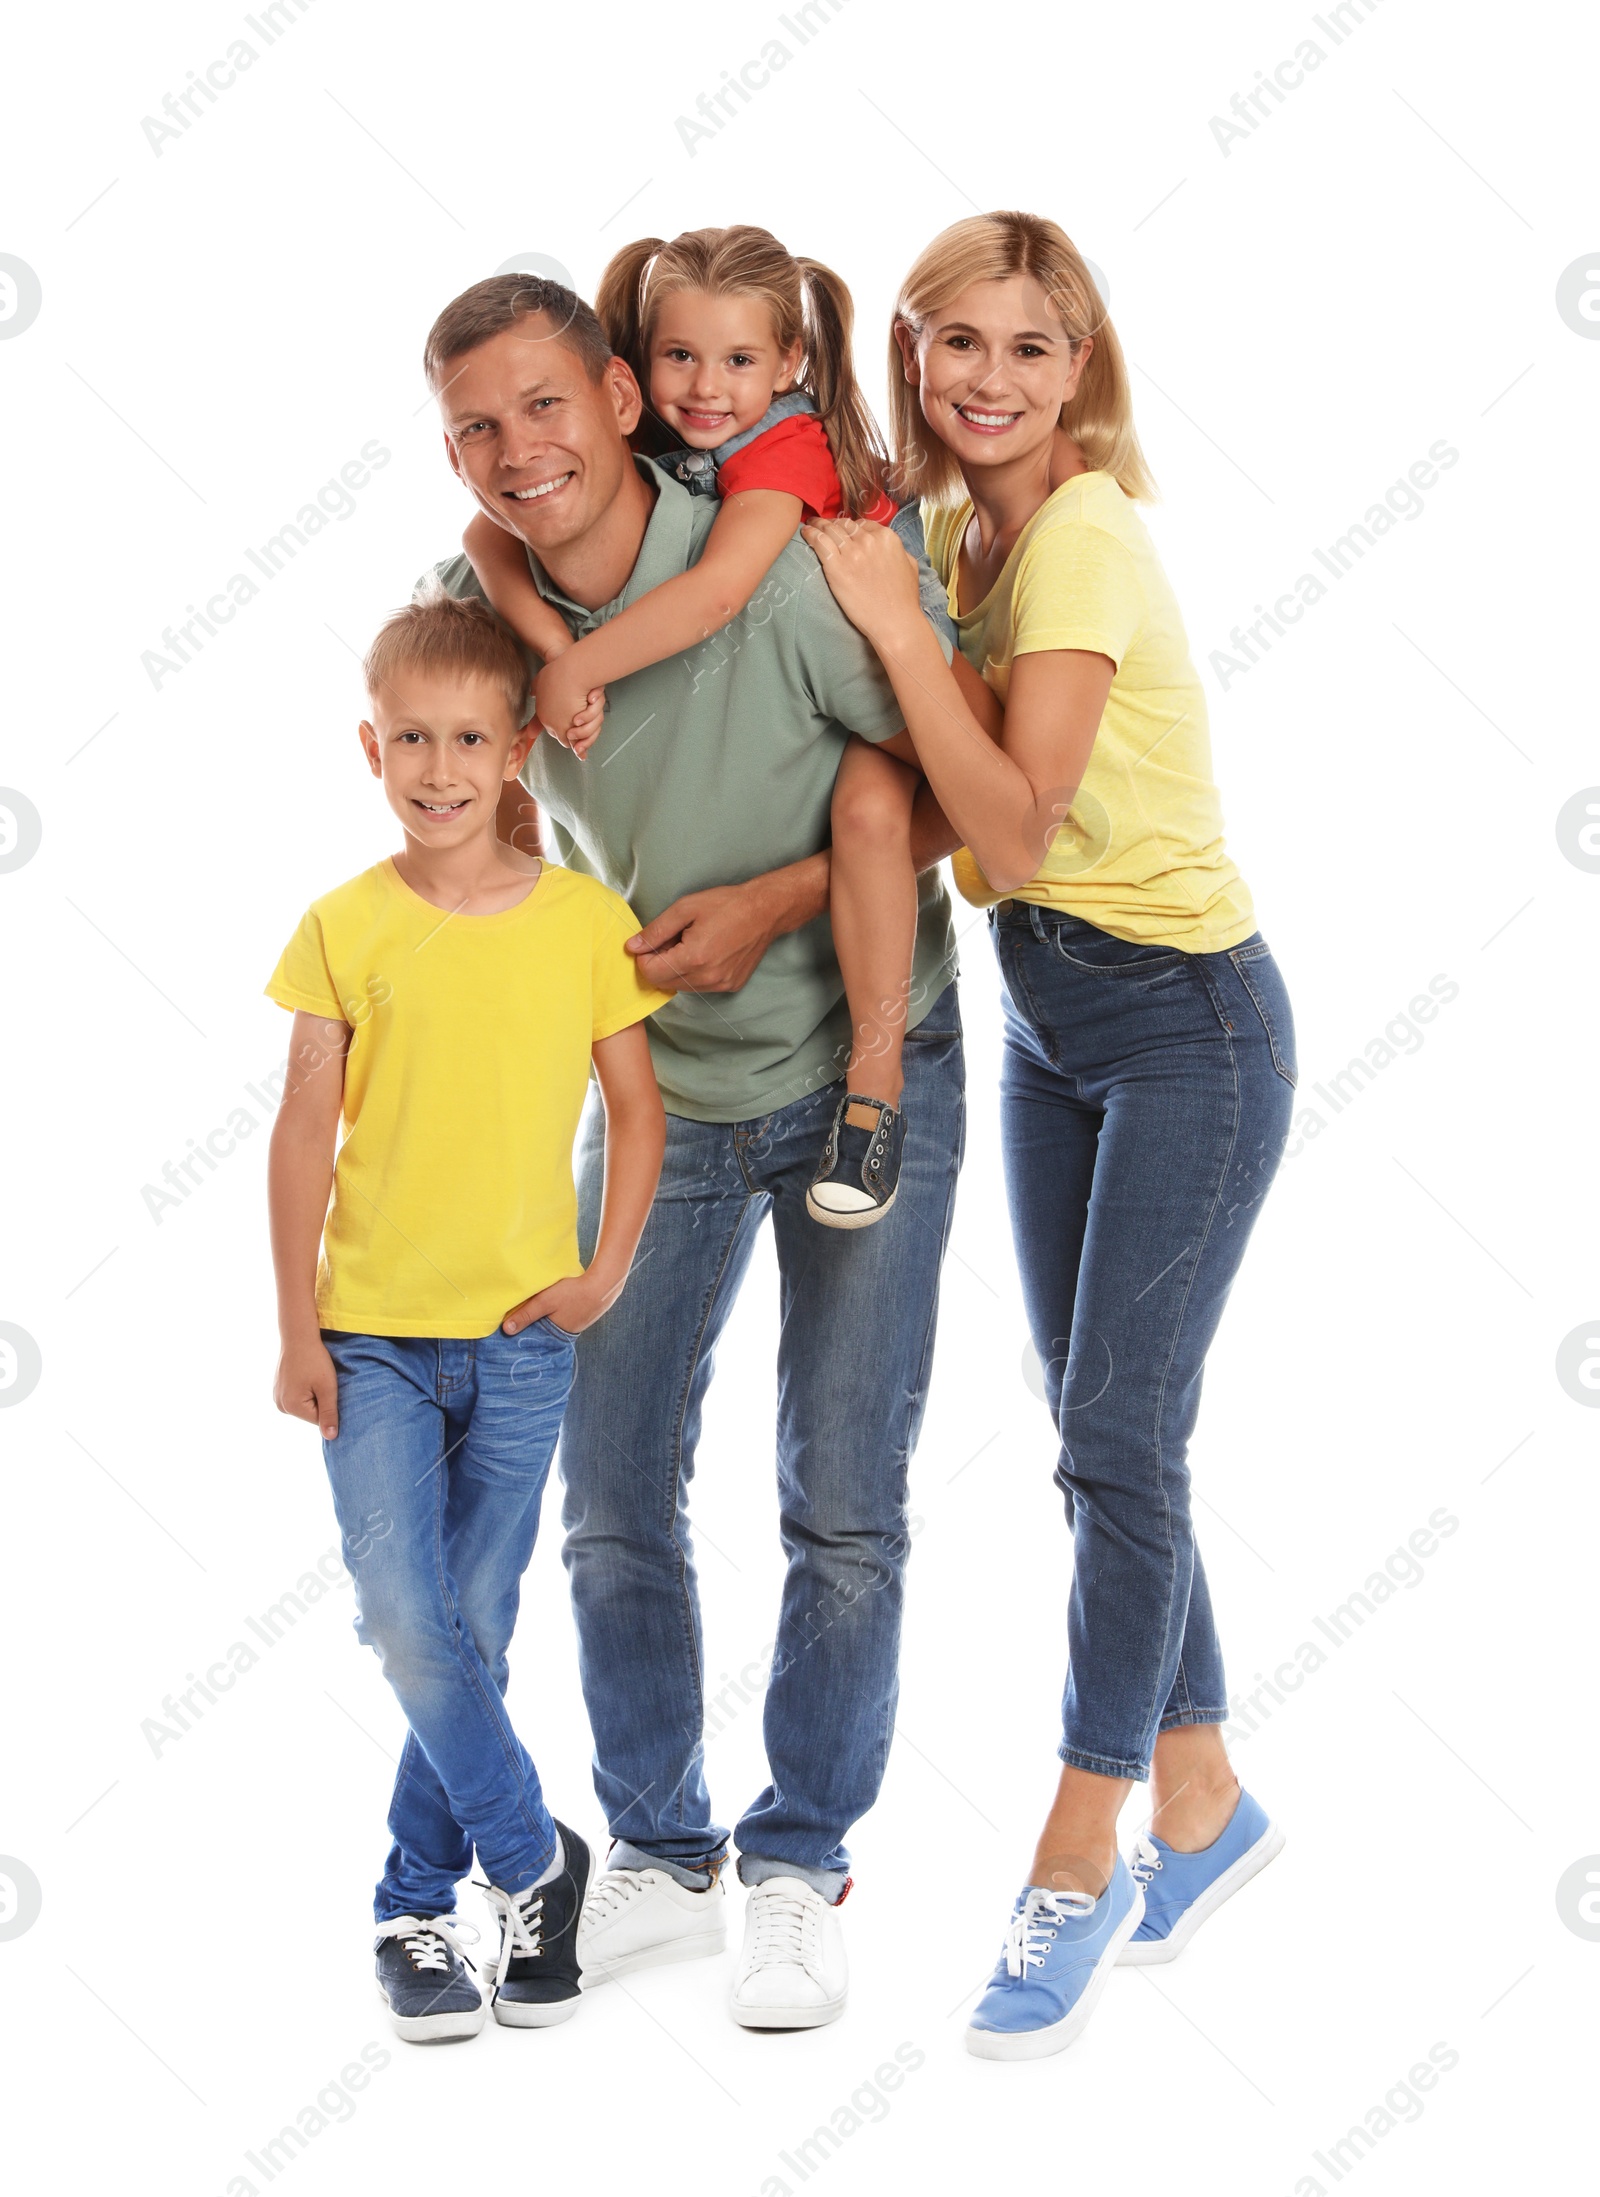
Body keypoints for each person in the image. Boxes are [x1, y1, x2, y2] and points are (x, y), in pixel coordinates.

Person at [419, 270, 979, 2028]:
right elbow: (459, 799)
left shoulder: (785, 564)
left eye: (543, 405)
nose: (521, 451)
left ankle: (801, 1854)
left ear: (613, 390)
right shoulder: (476, 601)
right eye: (476, 426)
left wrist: (771, 903)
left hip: (863, 1059)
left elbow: (964, 799)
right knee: (606, 1482)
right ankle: (661, 1850)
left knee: (843, 1497)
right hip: (667, 1085)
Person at [804, 210, 1295, 2060]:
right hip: (1053, 1022)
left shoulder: (1078, 539)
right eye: (959, 348)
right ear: (915, 361)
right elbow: (940, 814)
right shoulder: (954, 535)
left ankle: (1082, 1843)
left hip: (1190, 1029)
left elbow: (1008, 830)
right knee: (1106, 1425)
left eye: (1032, 347)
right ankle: (1207, 1790)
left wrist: (889, 629)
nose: (993, 381)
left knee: (1115, 1438)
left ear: (1078, 366)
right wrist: (794, 878)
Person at [265, 595, 668, 2043]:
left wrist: (607, 1268)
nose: (439, 768)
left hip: (516, 1345)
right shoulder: (344, 927)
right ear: (372, 746)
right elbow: (303, 1131)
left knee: (474, 1630)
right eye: (412, 741)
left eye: (469, 741)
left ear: (514, 757)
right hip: (369, 1338)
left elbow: (636, 1107)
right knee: (405, 1621)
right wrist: (297, 1326)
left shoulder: (580, 922)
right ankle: (533, 1858)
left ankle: (412, 1908)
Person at [463, 228, 950, 1229]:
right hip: (668, 1063)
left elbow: (721, 594)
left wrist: (579, 665)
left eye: (736, 362)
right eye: (678, 356)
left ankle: (876, 1089)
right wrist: (553, 636)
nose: (704, 386)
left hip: (889, 625)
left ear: (787, 366)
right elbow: (483, 533)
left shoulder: (777, 455)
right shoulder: (649, 448)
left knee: (868, 823)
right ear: (634, 376)